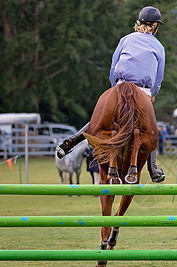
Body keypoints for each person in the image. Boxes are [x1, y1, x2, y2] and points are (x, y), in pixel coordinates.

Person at [56, 6, 165, 182]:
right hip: (143, 88)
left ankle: (71, 141)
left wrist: (115, 90)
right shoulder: (159, 46)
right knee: (150, 128)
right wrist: (153, 93)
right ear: (155, 26)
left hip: (120, 84)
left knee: (99, 118)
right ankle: (153, 169)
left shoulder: (125, 39)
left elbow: (113, 67)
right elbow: (159, 76)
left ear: (139, 23)